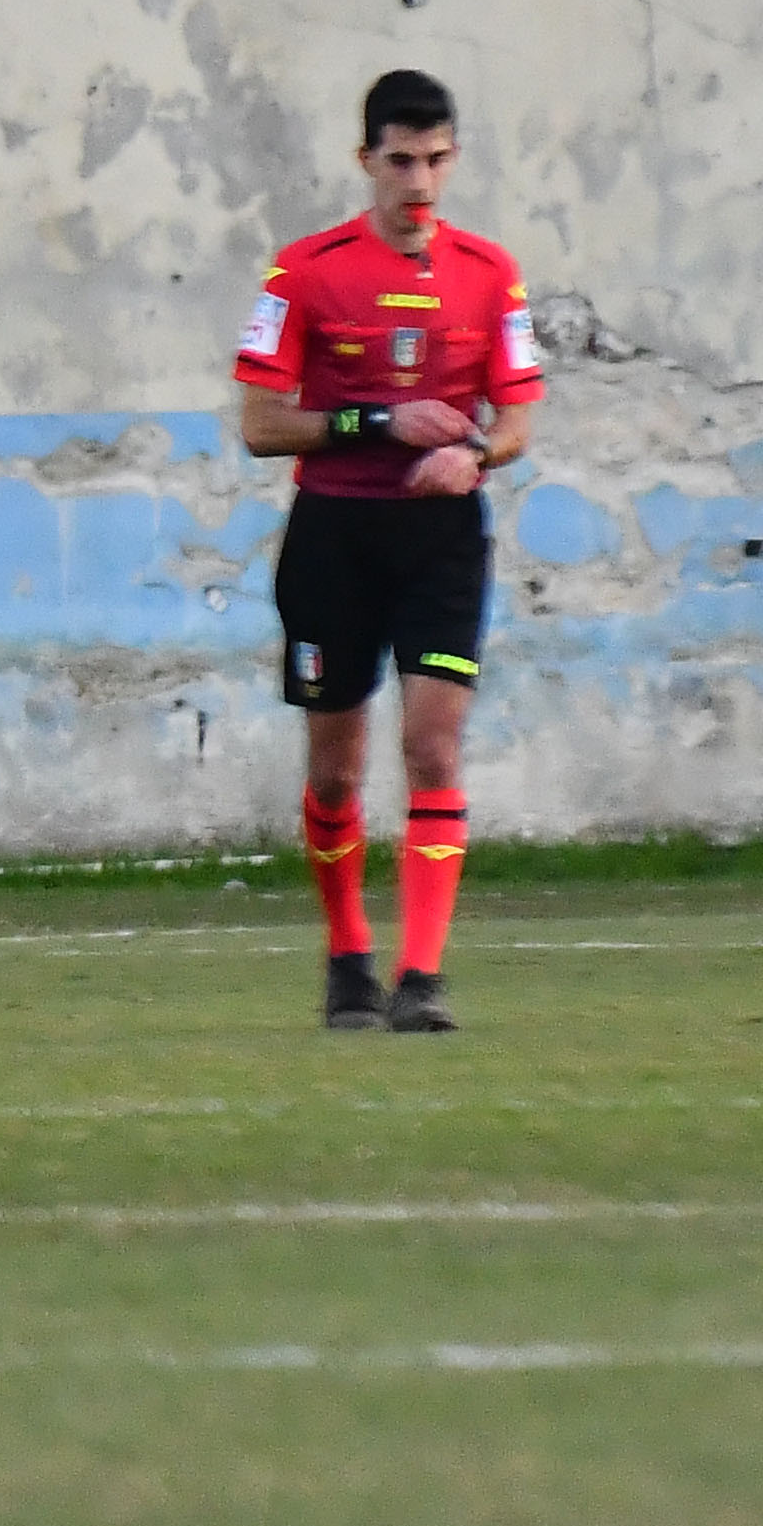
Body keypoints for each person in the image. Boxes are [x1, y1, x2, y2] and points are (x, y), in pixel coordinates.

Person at [230, 70, 542, 1031]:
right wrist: (378, 420)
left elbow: (521, 412)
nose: (420, 183)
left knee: (434, 745)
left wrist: (475, 455)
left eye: (437, 161)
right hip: (335, 535)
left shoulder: (491, 275)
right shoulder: (304, 274)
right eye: (401, 161)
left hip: (442, 537)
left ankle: (422, 978)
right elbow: (259, 424)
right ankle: (347, 958)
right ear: (366, 162)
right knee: (336, 770)